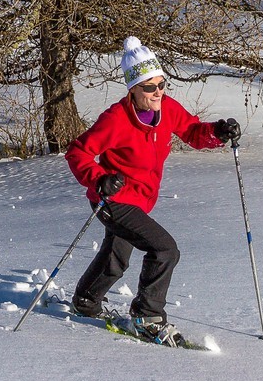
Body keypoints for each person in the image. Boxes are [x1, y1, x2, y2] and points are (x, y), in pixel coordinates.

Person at [65, 35, 241, 346]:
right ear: (132, 88)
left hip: (139, 200)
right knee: (164, 249)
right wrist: (98, 179)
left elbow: (191, 131)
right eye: (149, 87)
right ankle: (147, 317)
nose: (157, 92)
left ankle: (85, 301)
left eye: (161, 84)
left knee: (115, 258)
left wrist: (217, 132)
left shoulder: (167, 109)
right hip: (112, 198)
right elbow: (78, 152)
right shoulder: (115, 120)